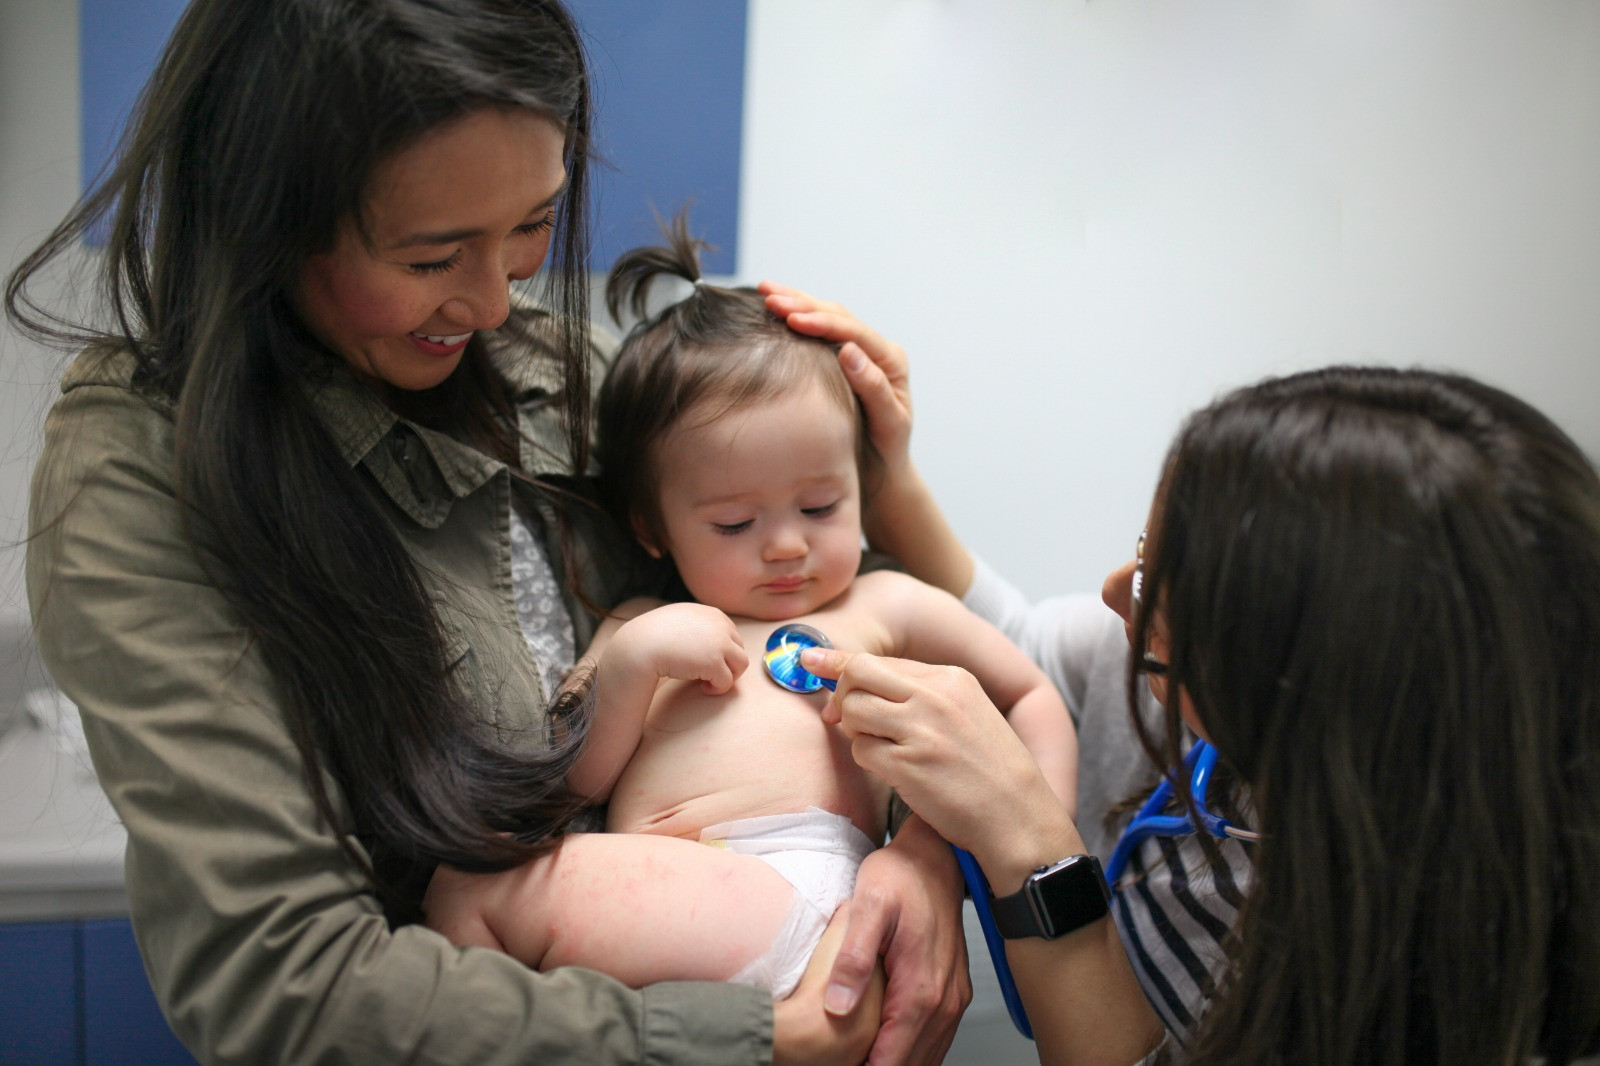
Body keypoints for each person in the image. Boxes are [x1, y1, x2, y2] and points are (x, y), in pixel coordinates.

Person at [7, 3, 971, 1063]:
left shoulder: (564, 371)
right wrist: (752, 1039)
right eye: (428, 258)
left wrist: (917, 853)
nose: (489, 301)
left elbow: (868, 644)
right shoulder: (146, 466)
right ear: (264, 216)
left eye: (530, 224)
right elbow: (290, 985)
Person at [779, 328, 1600, 1064]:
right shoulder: (1164, 664)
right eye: (1142, 551)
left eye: (1159, 591)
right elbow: (1016, 647)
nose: (1114, 594)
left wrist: (1026, 844)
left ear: (1298, 690)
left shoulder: (1439, 984)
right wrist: (884, 473)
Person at [423, 220, 1078, 1006]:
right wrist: (630, 666)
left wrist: (1025, 852)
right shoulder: (638, 624)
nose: (787, 546)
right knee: (470, 885)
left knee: (467, 895)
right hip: (679, 901)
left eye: (821, 504)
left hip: (799, 883)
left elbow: (1034, 695)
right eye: (735, 523)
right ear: (651, 530)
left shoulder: (882, 600)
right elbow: (564, 788)